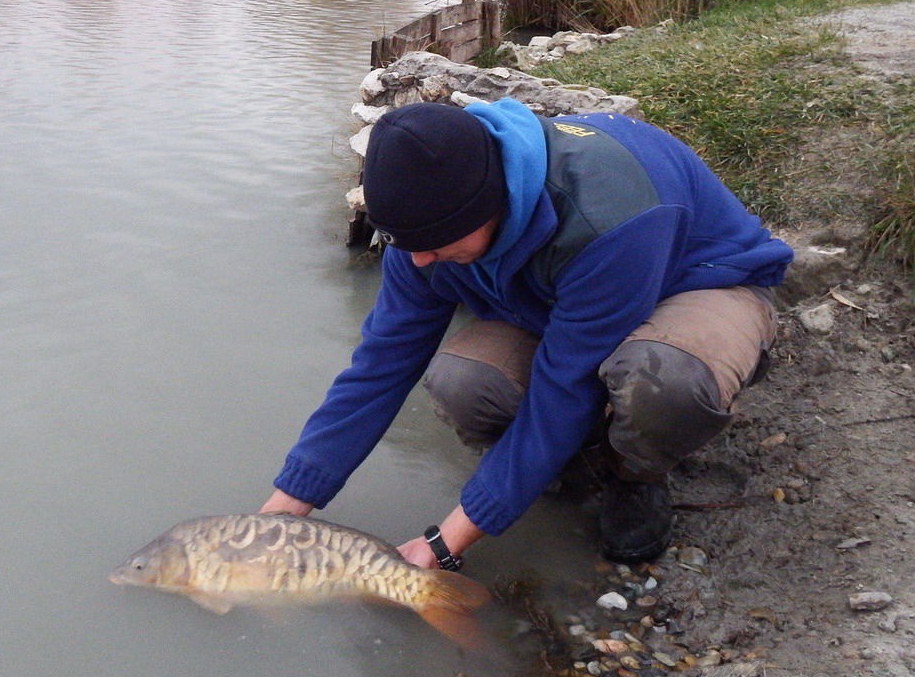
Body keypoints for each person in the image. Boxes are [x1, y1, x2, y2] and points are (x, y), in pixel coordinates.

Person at [260, 98, 792, 568]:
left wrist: (444, 544)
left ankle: (636, 474)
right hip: (558, 299)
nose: (419, 259)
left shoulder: (609, 215)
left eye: (436, 242)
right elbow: (380, 367)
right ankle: (572, 460)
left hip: (699, 285)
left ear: (491, 203)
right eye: (407, 245)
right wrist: (287, 507)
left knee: (662, 381)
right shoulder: (421, 234)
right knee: (461, 381)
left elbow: (563, 390)